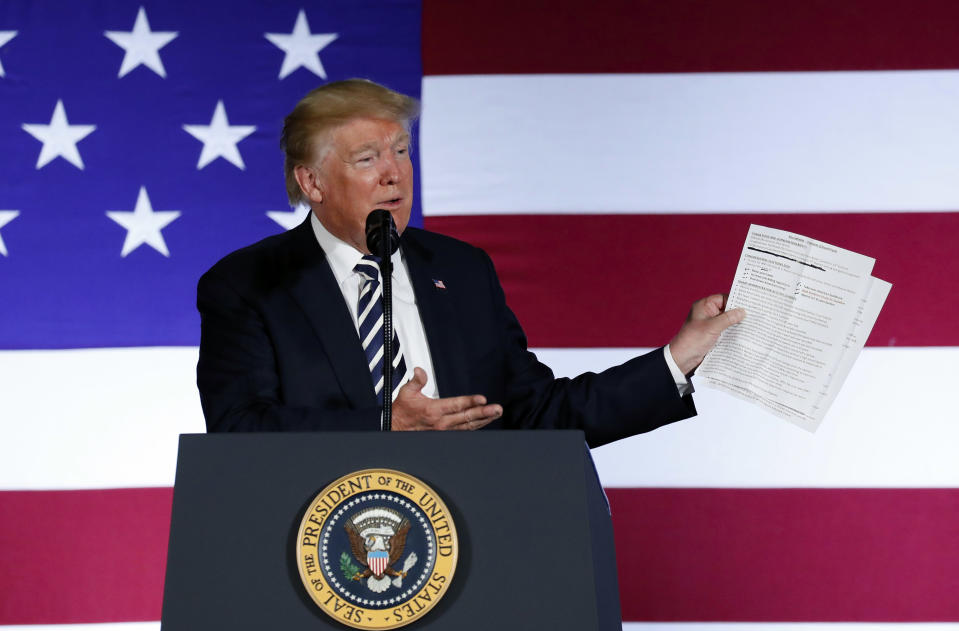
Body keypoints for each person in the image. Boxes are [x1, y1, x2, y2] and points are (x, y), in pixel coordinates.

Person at [196, 79, 744, 445]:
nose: (395, 174)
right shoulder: (249, 284)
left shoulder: (461, 271)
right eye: (368, 159)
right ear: (311, 181)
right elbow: (238, 428)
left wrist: (677, 357)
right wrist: (386, 425)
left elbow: (534, 414)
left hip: (469, 548)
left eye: (402, 151)